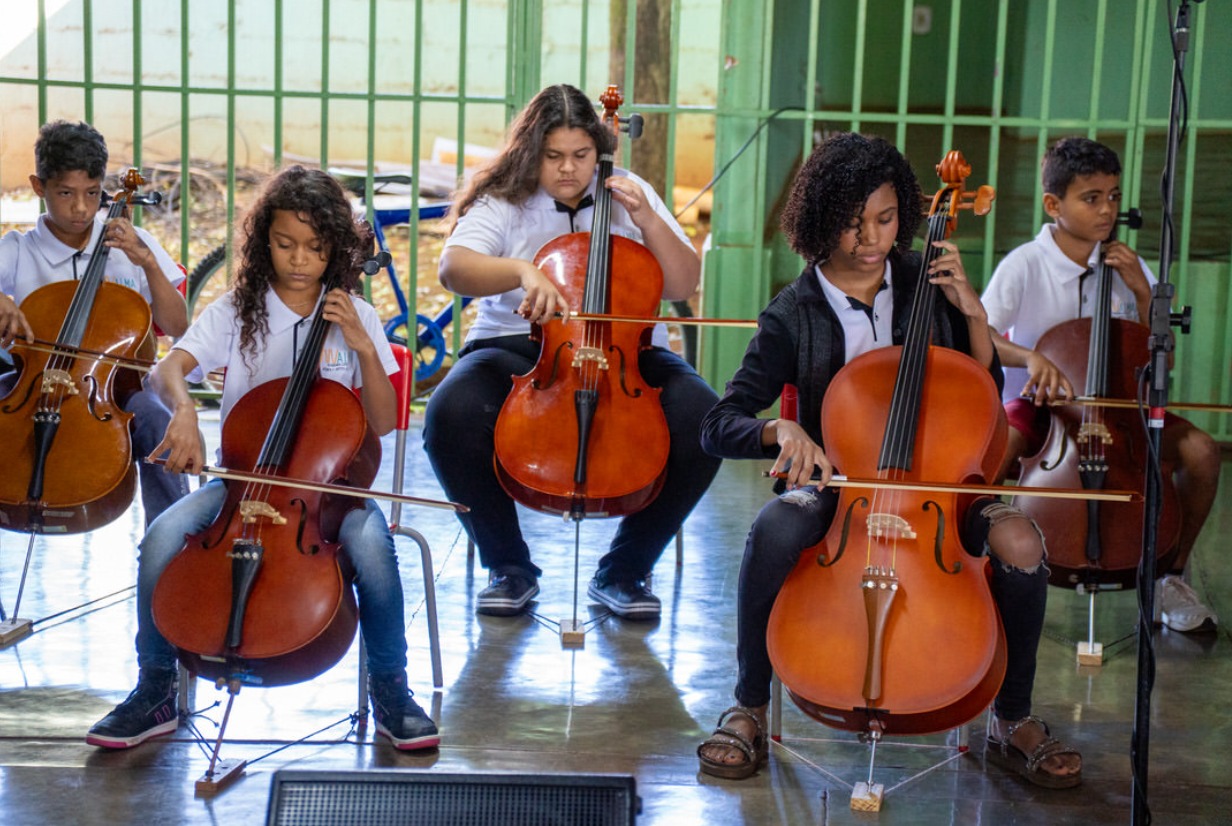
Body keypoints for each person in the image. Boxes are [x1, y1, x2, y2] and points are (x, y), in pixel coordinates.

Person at [694, 133, 1082, 789]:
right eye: (851, 224)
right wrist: (780, 431)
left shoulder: (926, 284)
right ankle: (749, 706)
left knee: (1020, 540)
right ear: (820, 221)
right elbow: (717, 423)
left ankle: (1012, 717)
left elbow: (978, 397)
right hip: (840, 488)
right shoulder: (793, 314)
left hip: (941, 485)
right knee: (774, 529)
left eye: (884, 218)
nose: (871, 239)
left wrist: (973, 315)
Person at [86, 166, 439, 752]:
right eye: (284, 244)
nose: (299, 259)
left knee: (376, 549)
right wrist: (181, 412)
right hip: (239, 485)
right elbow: (169, 367)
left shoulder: (358, 316)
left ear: (336, 248)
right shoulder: (237, 310)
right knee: (159, 538)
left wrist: (362, 349)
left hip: (328, 493)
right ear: (262, 242)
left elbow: (379, 420)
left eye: (315, 247)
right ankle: (155, 688)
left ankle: (391, 689)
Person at [422, 83, 720, 620]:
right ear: (530, 151)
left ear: (600, 149)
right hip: (520, 349)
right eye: (552, 156)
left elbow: (681, 283)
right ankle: (509, 566)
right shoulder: (506, 199)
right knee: (451, 413)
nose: (567, 170)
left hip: (627, 351)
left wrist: (649, 220)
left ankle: (625, 570)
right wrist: (521, 269)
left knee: (704, 420)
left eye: (581, 156)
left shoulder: (630, 191)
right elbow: (454, 267)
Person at [981, 136, 1220, 633]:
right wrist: (1030, 357)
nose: (1107, 210)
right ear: (1054, 204)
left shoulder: (1127, 264)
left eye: (1113, 196)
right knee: (992, 451)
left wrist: (1140, 290)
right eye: (1091, 198)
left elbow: (1165, 358)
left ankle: (1168, 577)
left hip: (1118, 409)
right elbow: (978, 335)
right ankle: (979, 569)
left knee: (1201, 451)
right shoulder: (1025, 264)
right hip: (1041, 408)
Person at [0, 120, 189, 525]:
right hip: (32, 386)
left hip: (111, 393)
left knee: (156, 421)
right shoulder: (18, 249)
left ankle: (170, 539)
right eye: (65, 193)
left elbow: (177, 324)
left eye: (91, 193)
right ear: (39, 187)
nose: (81, 208)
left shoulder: (133, 243)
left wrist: (148, 264)